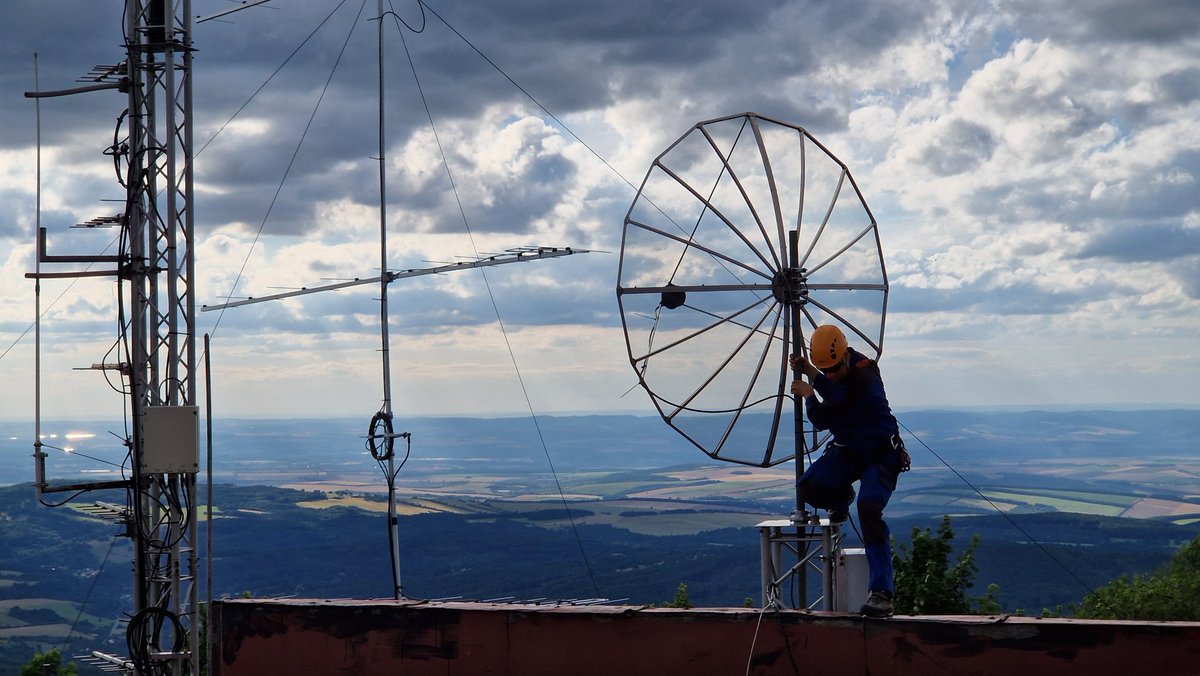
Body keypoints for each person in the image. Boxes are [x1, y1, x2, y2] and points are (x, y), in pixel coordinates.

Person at [790, 324, 909, 618]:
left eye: (832, 369)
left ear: (845, 358)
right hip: (850, 450)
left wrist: (809, 393)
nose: (829, 375)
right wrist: (812, 372)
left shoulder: (863, 379)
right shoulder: (845, 373)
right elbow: (835, 385)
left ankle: (881, 592)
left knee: (868, 508)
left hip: (881, 455)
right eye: (825, 370)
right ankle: (842, 500)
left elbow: (823, 415)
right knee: (809, 489)